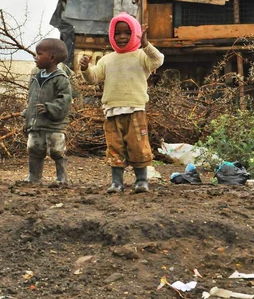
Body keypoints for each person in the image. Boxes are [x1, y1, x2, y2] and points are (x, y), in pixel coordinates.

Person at [79, 12, 164, 193]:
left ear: (135, 33)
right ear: (112, 35)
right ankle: (117, 183)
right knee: (115, 147)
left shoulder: (141, 56)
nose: (122, 36)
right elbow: (93, 78)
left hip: (135, 110)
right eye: (117, 33)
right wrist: (85, 68)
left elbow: (158, 60)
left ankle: (141, 181)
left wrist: (146, 44)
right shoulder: (107, 60)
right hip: (112, 111)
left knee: (138, 146)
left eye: (127, 32)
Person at [22, 38, 73, 184]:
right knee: (34, 149)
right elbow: (31, 99)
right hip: (37, 123)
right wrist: (27, 115)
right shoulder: (36, 77)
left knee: (57, 151)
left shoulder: (61, 79)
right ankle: (34, 177)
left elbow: (65, 99)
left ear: (51, 58)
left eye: (39, 54)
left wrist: (50, 107)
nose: (35, 57)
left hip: (53, 124)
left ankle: (61, 178)